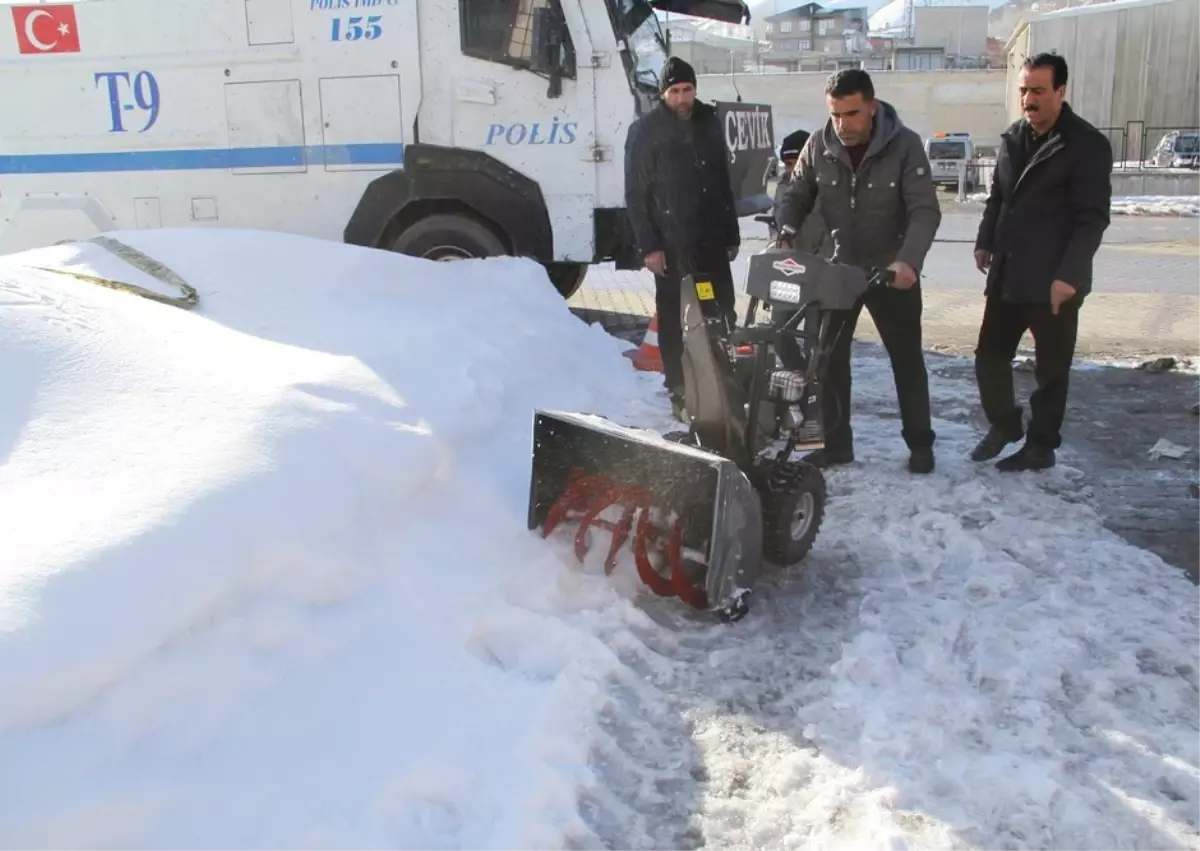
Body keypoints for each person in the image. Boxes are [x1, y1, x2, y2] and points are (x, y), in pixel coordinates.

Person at [775, 69, 942, 475]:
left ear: (871, 106)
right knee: (829, 362)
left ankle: (920, 444)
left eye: (850, 114)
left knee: (906, 361)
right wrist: (786, 230)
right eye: (834, 114)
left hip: (891, 271)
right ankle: (836, 444)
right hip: (839, 273)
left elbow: (924, 210)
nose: (842, 125)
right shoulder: (819, 144)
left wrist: (909, 260)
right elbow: (797, 194)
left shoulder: (904, 146)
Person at [970, 53, 1113, 472]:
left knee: (1050, 372)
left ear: (1060, 92)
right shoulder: (1014, 136)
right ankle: (1005, 422)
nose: (1028, 99)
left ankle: (1040, 447)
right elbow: (999, 197)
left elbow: (1092, 218)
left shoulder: (1085, 144)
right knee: (988, 355)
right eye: (1023, 90)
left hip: (1054, 279)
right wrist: (984, 241)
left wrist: (1069, 274)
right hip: (1009, 271)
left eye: (1037, 91)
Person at [624, 56, 741, 421]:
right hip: (672, 244)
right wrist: (650, 247)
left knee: (722, 310)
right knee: (675, 320)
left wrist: (731, 233)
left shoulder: (709, 121)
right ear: (664, 94)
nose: (682, 98)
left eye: (687, 90)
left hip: (711, 239)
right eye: (674, 91)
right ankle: (678, 388)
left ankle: (725, 381)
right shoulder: (645, 130)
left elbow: (723, 181)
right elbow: (635, 193)